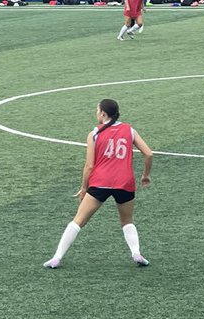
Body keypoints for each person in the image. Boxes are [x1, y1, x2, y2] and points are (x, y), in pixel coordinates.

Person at [44, 97, 153, 269]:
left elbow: (89, 165)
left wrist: (83, 188)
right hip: (125, 182)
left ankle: (57, 257)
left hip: (100, 182)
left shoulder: (94, 133)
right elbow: (149, 154)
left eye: (97, 110)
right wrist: (145, 176)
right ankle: (136, 253)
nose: (96, 113)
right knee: (127, 221)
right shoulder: (129, 130)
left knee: (78, 220)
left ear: (103, 113)